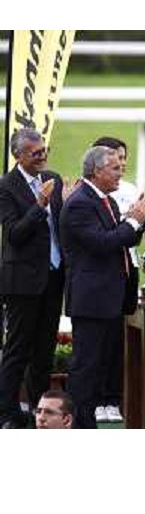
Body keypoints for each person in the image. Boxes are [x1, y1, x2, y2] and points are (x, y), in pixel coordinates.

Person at [60, 146, 145, 429]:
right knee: (86, 367)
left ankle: (87, 422)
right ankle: (78, 425)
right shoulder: (79, 203)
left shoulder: (106, 201)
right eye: (114, 168)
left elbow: (124, 240)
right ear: (96, 171)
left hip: (110, 297)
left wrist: (143, 218)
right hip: (92, 299)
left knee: (100, 365)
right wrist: (133, 220)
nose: (120, 172)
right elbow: (102, 244)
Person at [0, 128, 65, 429]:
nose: (43, 157)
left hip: (54, 276)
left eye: (44, 150)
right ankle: (7, 413)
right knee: (17, 350)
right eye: (35, 153)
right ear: (18, 155)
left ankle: (42, 415)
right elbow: (15, 234)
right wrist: (39, 206)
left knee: (44, 351)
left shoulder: (53, 178)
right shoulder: (6, 186)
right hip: (23, 281)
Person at [90, 137, 141, 423]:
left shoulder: (130, 189)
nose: (120, 163)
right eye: (114, 158)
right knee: (100, 337)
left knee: (122, 336)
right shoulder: (91, 194)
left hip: (128, 268)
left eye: (123, 157)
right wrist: (132, 220)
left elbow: (134, 234)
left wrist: (144, 218)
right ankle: (98, 398)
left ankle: (115, 397)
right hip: (102, 272)